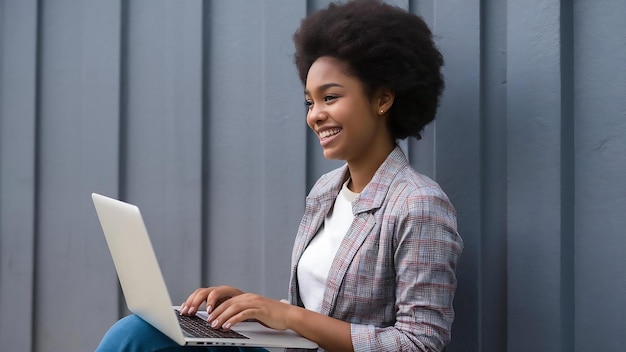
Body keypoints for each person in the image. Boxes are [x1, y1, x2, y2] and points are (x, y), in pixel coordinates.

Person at [97, 0, 463, 351]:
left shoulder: (419, 204)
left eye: (330, 97)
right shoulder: (327, 191)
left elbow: (419, 343)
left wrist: (288, 315)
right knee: (139, 332)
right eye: (310, 101)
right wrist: (252, 309)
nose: (315, 115)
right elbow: (319, 308)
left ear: (382, 99)